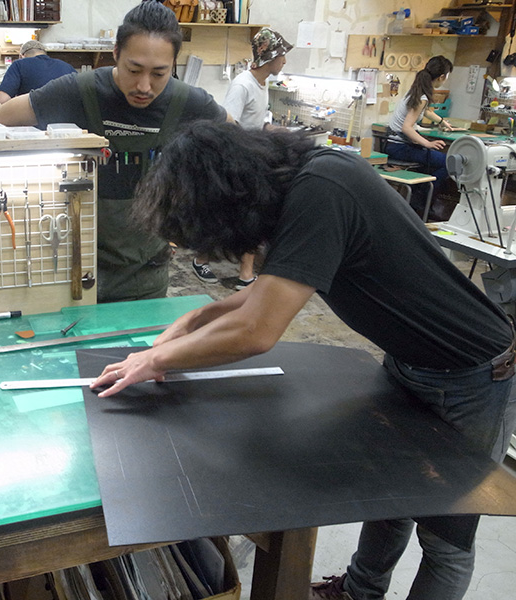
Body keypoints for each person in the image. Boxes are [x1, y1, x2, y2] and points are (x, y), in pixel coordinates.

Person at [90, 120, 516, 600]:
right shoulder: (308, 187)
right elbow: (270, 291)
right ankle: (359, 592)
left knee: (446, 535)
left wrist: (157, 360)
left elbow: (257, 329)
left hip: (475, 373)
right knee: (394, 498)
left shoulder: (324, 189)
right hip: (411, 361)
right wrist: (198, 318)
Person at [0, 1, 229, 303]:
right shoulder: (78, 91)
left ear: (173, 64)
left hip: (145, 274)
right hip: (77, 268)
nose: (144, 86)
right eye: (134, 70)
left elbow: (237, 144)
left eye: (159, 74)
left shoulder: (189, 102)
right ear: (115, 53)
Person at [193, 27, 292, 289]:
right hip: (237, 160)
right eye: (282, 55)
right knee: (226, 217)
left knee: (253, 215)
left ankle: (246, 274)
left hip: (254, 158)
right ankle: (201, 259)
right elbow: (229, 125)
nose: (284, 61)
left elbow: (255, 122)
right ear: (269, 57)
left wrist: (274, 131)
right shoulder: (242, 84)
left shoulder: (263, 83)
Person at [386, 55, 455, 219]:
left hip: (395, 144)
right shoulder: (422, 96)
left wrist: (443, 122)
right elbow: (407, 127)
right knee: (448, 163)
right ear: (442, 77)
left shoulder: (417, 91)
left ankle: (419, 198)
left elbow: (426, 112)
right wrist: (427, 144)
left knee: (434, 162)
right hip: (400, 147)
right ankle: (421, 200)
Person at [0, 40, 76, 105]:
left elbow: (1, 100)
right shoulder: (67, 66)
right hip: (66, 119)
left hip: (32, 118)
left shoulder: (19, 64)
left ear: (21, 56)